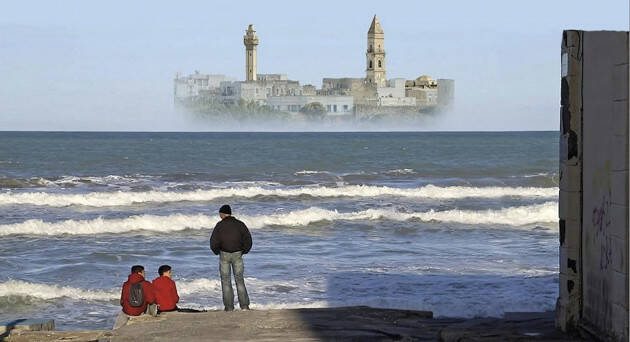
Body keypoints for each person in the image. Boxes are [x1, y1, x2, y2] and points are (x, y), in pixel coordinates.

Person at [210, 204, 252, 311]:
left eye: (220, 213)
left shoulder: (219, 225)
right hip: (238, 254)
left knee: (226, 281)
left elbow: (214, 241)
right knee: (240, 280)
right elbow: (248, 239)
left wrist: (216, 251)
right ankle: (244, 306)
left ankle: (229, 307)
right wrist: (244, 251)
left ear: (222, 214)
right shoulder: (240, 224)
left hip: (224, 254)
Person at [113, 265, 157, 329]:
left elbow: (122, 301)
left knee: (116, 327)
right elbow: (151, 300)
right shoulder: (146, 284)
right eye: (144, 272)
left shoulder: (125, 284)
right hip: (139, 312)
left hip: (126, 312)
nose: (145, 274)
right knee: (152, 302)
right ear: (139, 273)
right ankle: (150, 319)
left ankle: (115, 331)